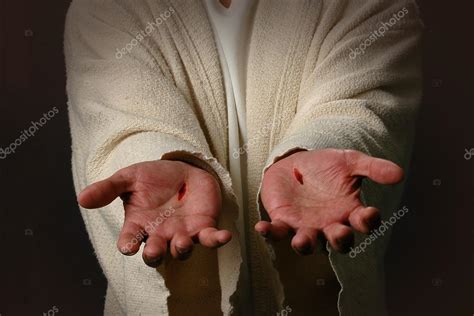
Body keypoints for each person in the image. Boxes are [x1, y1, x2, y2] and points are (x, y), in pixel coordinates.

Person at [64, 0, 422, 315]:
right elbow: (117, 123)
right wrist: (162, 160)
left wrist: (312, 152)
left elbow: (364, 106)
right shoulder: (105, 6)